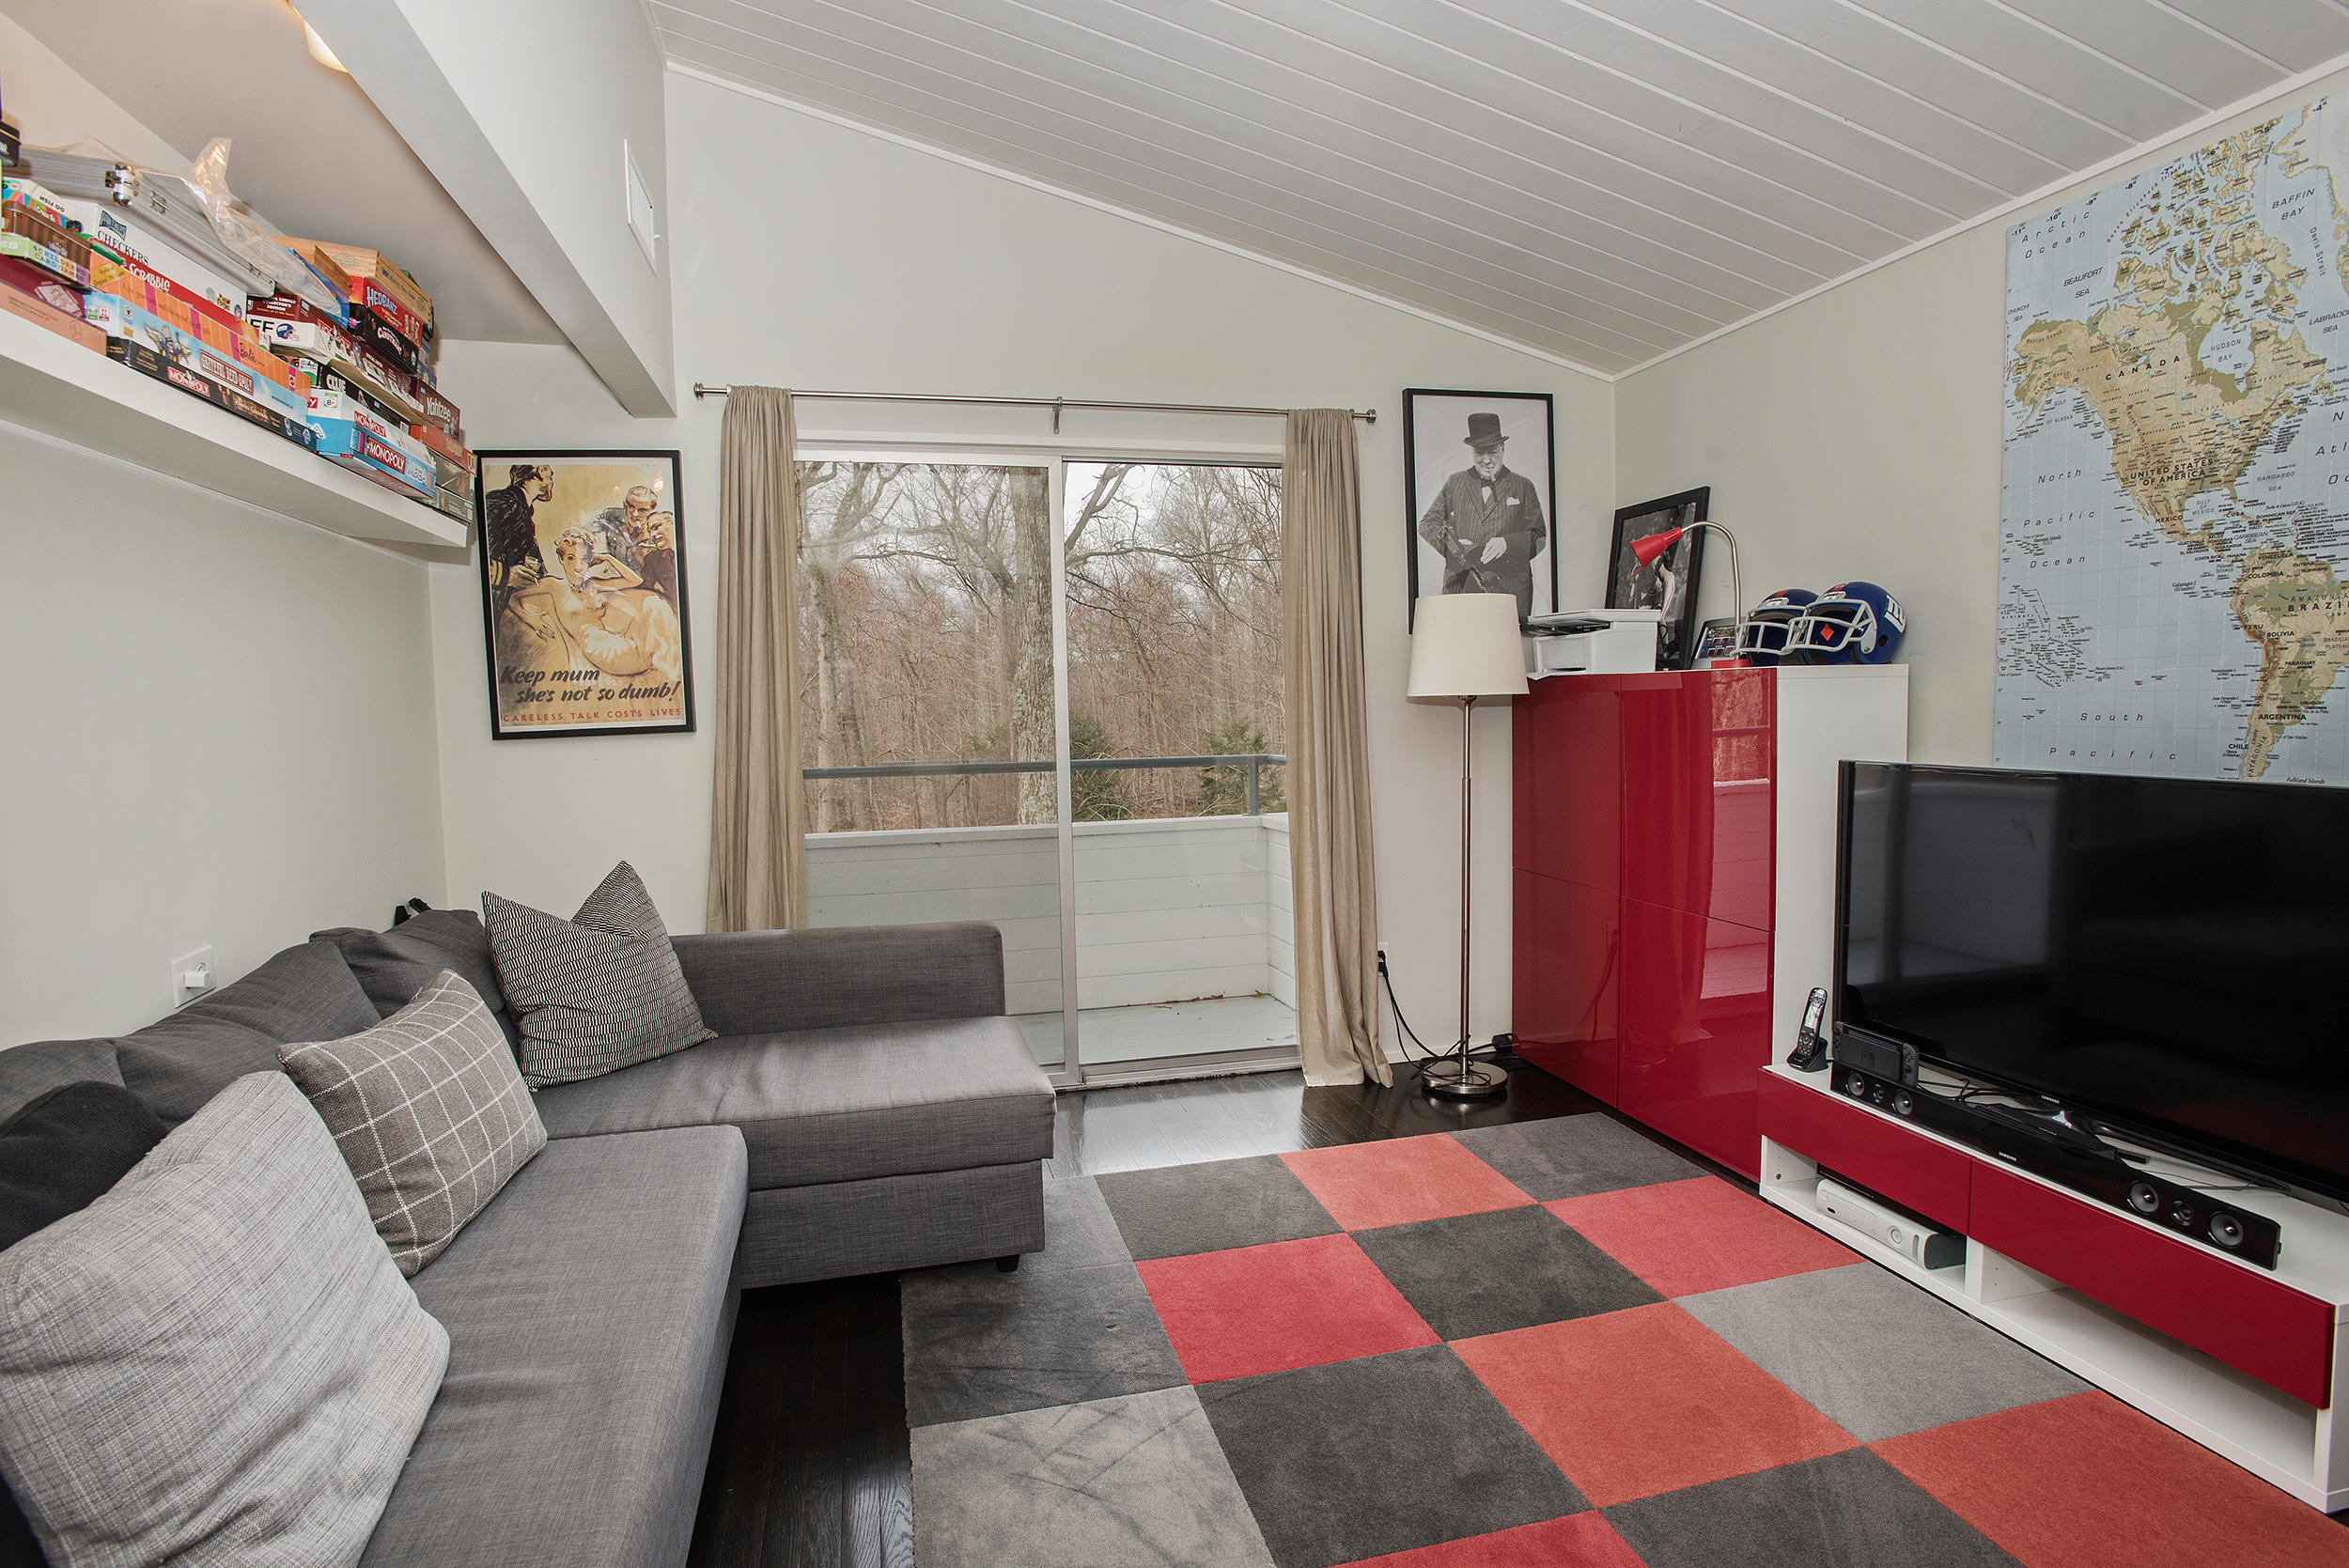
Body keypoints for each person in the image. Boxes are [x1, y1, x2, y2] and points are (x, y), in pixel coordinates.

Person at [506, 526, 682, 685]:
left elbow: (636, 580)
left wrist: (607, 558)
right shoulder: (554, 586)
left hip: (615, 640)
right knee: (654, 621)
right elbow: (514, 598)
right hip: (602, 650)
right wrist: (532, 620)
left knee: (653, 606)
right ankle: (671, 672)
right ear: (561, 559)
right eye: (570, 558)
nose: (577, 565)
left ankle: (674, 674)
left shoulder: (594, 584)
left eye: (584, 559)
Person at [1418, 412, 1548, 622]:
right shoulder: (1455, 482)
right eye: (1480, 452)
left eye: (1493, 452)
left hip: (1509, 592)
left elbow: (1539, 537)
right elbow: (1427, 524)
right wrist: (1458, 549)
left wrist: (1507, 543)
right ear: (1471, 451)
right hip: (1462, 589)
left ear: (1503, 449)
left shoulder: (1523, 486)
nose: (1486, 460)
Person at [482, 463, 552, 618]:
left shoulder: (523, 512)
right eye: (550, 475)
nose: (551, 481)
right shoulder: (503, 501)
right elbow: (477, 552)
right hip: (489, 609)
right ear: (541, 471)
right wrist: (506, 575)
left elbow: (539, 569)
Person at [586, 485, 659, 571]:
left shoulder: (657, 532)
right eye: (631, 507)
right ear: (625, 506)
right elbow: (586, 530)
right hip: (612, 575)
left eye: (642, 510)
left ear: (652, 510)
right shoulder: (611, 515)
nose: (635, 514)